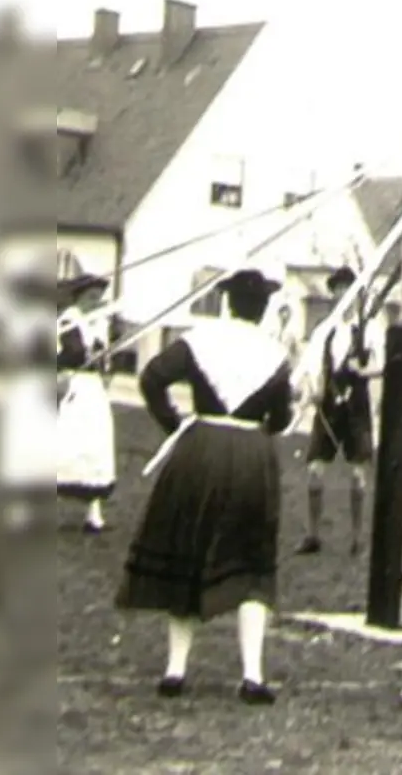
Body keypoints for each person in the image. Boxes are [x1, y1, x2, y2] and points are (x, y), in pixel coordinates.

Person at [114, 269, 295, 705]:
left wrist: (174, 423)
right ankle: (252, 675)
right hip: (252, 455)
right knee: (252, 561)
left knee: (188, 548)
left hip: (202, 449)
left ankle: (175, 670)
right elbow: (281, 419)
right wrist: (279, 413)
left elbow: (151, 377)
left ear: (228, 303)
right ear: (263, 308)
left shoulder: (200, 339)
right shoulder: (275, 352)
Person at [301, 266, 380, 556]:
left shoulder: (369, 329)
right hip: (329, 406)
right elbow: (310, 366)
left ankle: (358, 538)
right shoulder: (324, 330)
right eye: (338, 288)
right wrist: (314, 389)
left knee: (358, 475)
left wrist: (362, 370)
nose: (342, 294)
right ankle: (313, 535)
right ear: (332, 293)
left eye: (349, 288)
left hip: (356, 405)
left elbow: (382, 365)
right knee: (314, 472)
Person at [0, 269, 59, 532]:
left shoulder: (42, 322)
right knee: (16, 446)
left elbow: (45, 356)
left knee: (35, 445)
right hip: (19, 388)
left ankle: (33, 505)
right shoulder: (12, 321)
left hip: (35, 386)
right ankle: (18, 506)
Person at [56, 271, 116, 533]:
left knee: (96, 444)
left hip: (93, 389)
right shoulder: (69, 320)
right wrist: (92, 348)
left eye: (98, 297)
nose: (95, 301)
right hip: (73, 385)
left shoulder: (97, 322)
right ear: (79, 297)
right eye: (91, 296)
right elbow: (73, 353)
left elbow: (103, 360)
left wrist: (104, 356)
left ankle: (94, 513)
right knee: (66, 444)